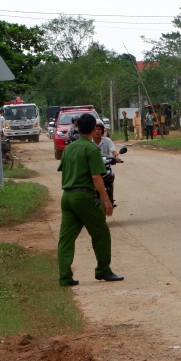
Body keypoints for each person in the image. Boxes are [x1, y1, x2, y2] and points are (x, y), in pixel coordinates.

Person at [56, 113, 123, 286]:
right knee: (100, 232)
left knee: (66, 238)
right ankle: (103, 270)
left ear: (77, 128)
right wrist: (107, 201)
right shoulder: (92, 149)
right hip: (84, 196)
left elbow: (63, 169)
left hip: (67, 197)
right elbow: (96, 177)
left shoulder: (69, 148)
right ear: (94, 130)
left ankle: (65, 276)